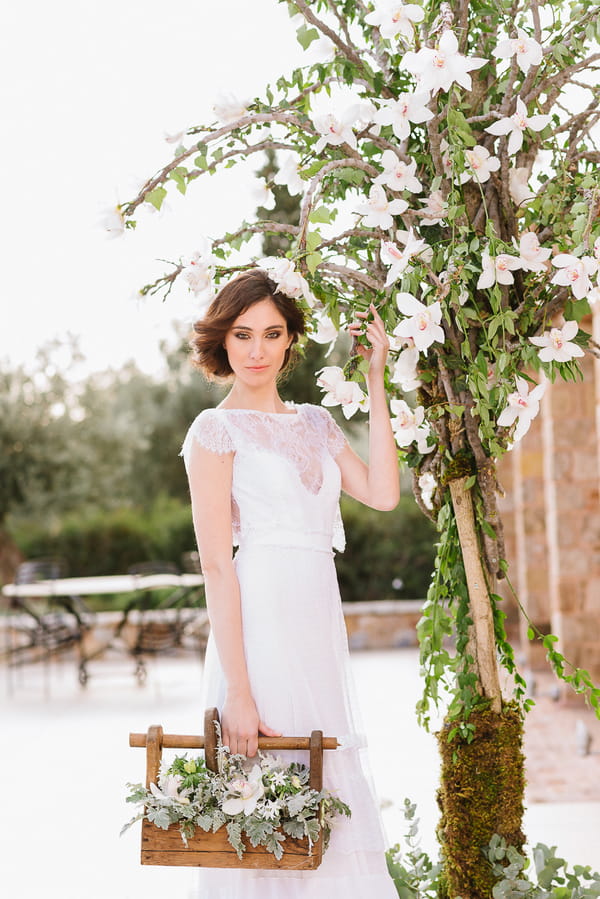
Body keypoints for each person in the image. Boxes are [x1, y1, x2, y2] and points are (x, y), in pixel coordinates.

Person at [181, 268, 400, 898]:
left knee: (323, 782)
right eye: (242, 334)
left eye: (270, 334)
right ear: (222, 343)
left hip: (315, 620)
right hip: (259, 626)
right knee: (265, 802)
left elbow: (383, 494)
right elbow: (218, 565)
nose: (255, 350)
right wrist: (239, 695)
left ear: (288, 342)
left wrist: (377, 382)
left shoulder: (317, 422)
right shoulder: (212, 432)